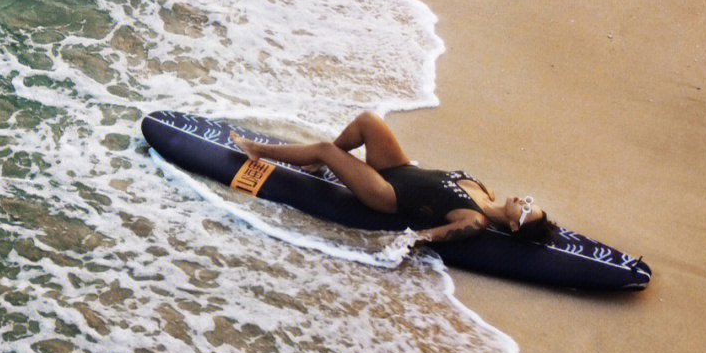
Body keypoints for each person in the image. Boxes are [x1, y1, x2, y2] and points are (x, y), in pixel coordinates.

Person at [230, 111, 552, 243]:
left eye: (525, 211)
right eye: (529, 202)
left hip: (387, 195)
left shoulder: (475, 220)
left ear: (513, 226)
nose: (523, 202)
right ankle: (321, 160)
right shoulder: (487, 191)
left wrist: (390, 250)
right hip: (399, 169)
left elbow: (421, 237)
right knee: (368, 121)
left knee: (326, 149)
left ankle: (258, 150)